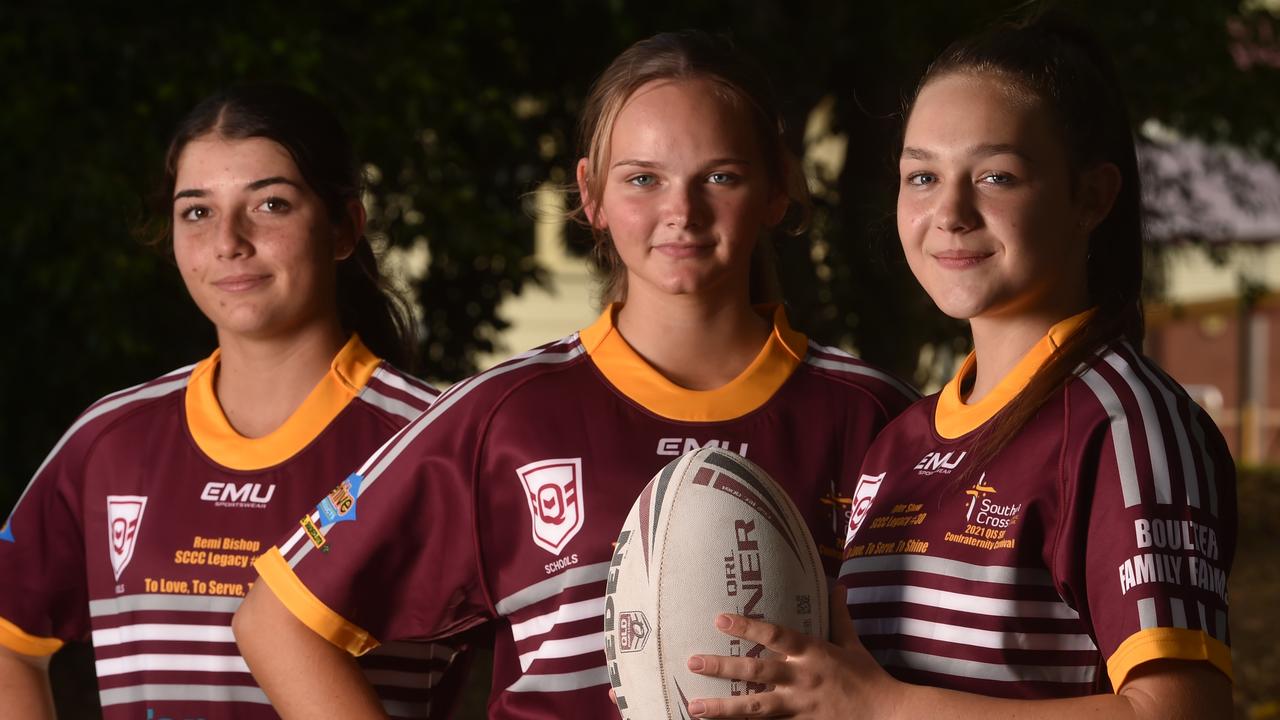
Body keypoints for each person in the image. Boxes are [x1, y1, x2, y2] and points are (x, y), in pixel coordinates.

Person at [232, 30, 918, 719]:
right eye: (642, 179)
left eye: (720, 176)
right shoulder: (504, 414)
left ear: (775, 188)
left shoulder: (876, 417)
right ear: (591, 193)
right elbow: (278, 622)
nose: (681, 212)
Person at [684, 16, 1236, 719]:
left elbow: (1182, 710)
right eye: (922, 176)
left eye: (996, 176)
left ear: (1092, 197)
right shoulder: (901, 442)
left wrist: (881, 706)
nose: (949, 212)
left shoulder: (1123, 424)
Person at [0, 85, 469, 719]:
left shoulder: (435, 442)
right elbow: (8, 640)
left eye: (270, 204)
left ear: (344, 228)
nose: (228, 241)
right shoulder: (109, 440)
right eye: (196, 212)